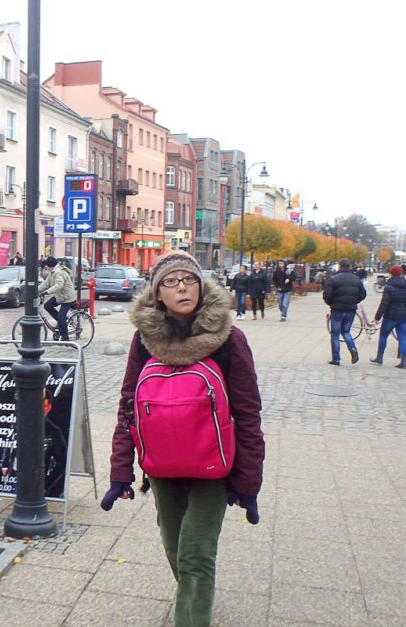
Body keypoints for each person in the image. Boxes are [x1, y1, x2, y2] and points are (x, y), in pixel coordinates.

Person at [101, 252, 264, 627]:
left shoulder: (228, 338)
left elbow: (248, 412)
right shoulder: (145, 340)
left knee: (195, 554)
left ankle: (192, 613)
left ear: (201, 286)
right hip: (162, 464)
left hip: (214, 466)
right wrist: (120, 472)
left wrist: (248, 482)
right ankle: (195, 592)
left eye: (189, 280)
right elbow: (130, 405)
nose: (182, 288)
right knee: (175, 549)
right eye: (171, 282)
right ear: (158, 294)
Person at [371, 265, 406, 369]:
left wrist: (377, 317)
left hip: (390, 316)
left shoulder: (388, 287)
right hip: (404, 317)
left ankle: (379, 357)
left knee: (383, 336)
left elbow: (384, 303)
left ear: (391, 274)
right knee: (402, 338)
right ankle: (404, 361)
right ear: (401, 273)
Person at [323, 259, 367, 366]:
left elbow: (327, 295)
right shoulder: (356, 279)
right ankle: (353, 349)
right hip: (351, 309)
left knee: (335, 334)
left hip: (337, 309)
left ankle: (336, 359)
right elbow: (363, 294)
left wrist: (331, 303)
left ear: (339, 266)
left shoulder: (333, 279)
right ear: (349, 266)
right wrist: (354, 301)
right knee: (346, 331)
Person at [38, 256, 77, 340]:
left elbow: (59, 285)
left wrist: (46, 292)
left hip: (67, 297)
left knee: (61, 316)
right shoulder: (52, 272)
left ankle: (65, 338)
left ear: (49, 265)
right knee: (47, 306)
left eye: (46, 266)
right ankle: (62, 322)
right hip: (60, 296)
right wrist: (35, 290)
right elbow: (46, 283)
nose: (45, 268)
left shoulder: (59, 272)